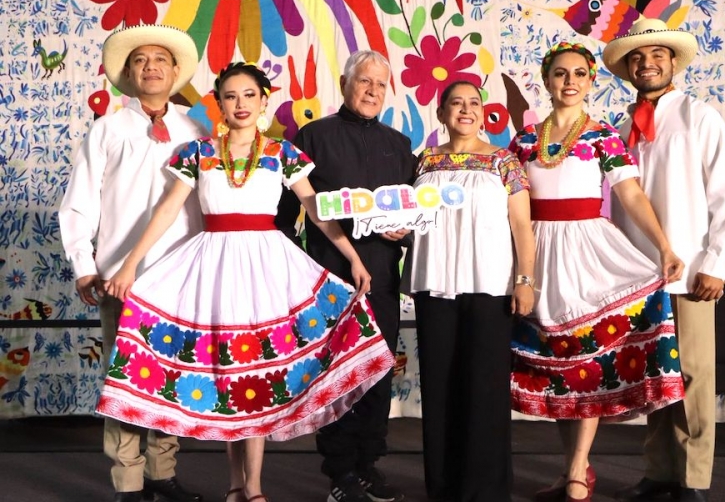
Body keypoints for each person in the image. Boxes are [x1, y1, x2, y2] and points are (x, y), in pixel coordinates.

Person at [95, 62, 395, 502]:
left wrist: (352, 258)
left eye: (249, 95)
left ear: (263, 100)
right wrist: (129, 264)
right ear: (219, 103)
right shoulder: (199, 152)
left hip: (266, 267)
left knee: (255, 375)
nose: (240, 104)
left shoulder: (281, 153)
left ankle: (252, 488)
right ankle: (235, 485)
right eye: (230, 96)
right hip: (214, 266)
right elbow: (167, 210)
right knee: (229, 375)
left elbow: (316, 210)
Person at [508, 42, 687, 502]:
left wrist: (664, 247)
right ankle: (577, 467)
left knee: (585, 360)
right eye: (560, 73)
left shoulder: (603, 135)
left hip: (586, 250)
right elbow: (506, 201)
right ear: (547, 80)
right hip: (535, 252)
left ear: (590, 81)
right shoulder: (524, 141)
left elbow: (630, 194)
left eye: (579, 74)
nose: (569, 81)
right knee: (556, 365)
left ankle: (575, 470)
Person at [59, 24, 206, 502]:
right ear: (129, 73)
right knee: (124, 378)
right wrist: (84, 262)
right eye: (140, 60)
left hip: (180, 277)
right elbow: (80, 199)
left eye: (160, 59)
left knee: (173, 374)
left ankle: (163, 471)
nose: (151, 67)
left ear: (175, 71)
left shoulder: (197, 132)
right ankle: (128, 480)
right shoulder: (108, 128)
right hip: (120, 276)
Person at [602, 19, 725, 502]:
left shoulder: (700, 117)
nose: (647, 64)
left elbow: (723, 194)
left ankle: (694, 478)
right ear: (628, 69)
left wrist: (716, 262)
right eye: (637, 58)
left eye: (657, 54)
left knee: (695, 375)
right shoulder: (621, 128)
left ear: (673, 61)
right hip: (639, 273)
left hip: (692, 269)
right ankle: (659, 471)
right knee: (654, 375)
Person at [276, 50, 416, 502]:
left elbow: (416, 214)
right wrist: (291, 271)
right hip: (329, 276)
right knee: (336, 370)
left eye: (380, 84)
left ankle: (368, 463)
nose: (372, 91)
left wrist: (407, 230)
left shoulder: (400, 145)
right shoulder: (313, 137)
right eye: (364, 81)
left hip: (382, 275)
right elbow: (285, 215)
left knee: (377, 369)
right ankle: (340, 472)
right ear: (344, 84)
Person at [405, 80, 535, 501]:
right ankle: (443, 489)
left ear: (484, 113)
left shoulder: (503, 161)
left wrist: (525, 280)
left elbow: (522, 226)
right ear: (441, 113)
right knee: (439, 389)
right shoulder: (423, 161)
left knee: (484, 389)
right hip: (434, 286)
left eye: (474, 103)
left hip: (489, 286)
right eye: (456, 103)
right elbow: (408, 218)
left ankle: (486, 491)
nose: (466, 109)